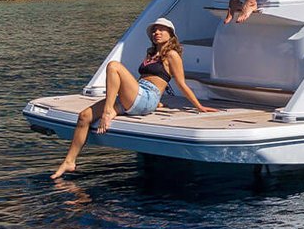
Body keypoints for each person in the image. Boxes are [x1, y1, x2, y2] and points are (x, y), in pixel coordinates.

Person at [51, 17, 217, 179]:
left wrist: (199, 107)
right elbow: (144, 79)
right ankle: (69, 161)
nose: (157, 32)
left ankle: (109, 111)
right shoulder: (151, 53)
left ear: (171, 34)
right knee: (84, 116)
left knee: (114, 66)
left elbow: (181, 84)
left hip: (147, 96)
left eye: (161, 29)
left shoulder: (172, 55)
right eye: (154, 30)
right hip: (137, 95)